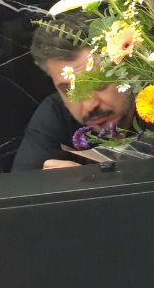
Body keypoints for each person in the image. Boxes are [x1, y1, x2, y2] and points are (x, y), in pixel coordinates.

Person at [13, 11, 136, 171]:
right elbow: (21, 183)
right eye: (69, 90)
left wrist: (87, 182)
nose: (89, 105)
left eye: (98, 83)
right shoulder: (55, 113)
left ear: (129, 70)